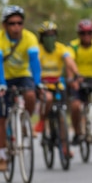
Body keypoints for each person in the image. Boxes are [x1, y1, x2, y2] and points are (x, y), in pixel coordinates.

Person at [0, 6, 41, 172]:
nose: (16, 27)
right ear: (5, 25)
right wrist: (2, 83)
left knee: (31, 95)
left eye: (19, 23)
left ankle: (25, 122)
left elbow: (34, 62)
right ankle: (2, 156)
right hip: (0, 78)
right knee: (1, 116)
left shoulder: (30, 38)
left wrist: (38, 82)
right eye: (12, 23)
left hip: (22, 75)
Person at [34, 21, 80, 157]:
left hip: (58, 85)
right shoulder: (37, 50)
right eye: (47, 35)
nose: (50, 38)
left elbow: (69, 61)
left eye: (53, 34)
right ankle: (42, 121)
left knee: (62, 115)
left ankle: (65, 147)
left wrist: (76, 73)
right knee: (47, 98)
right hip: (43, 86)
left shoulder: (61, 48)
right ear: (42, 37)